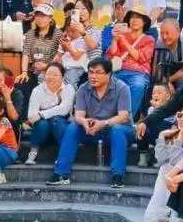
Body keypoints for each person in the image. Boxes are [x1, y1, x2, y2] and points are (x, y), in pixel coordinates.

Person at [47, 58, 135, 188]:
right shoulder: (83, 88)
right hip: (93, 130)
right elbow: (78, 115)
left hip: (120, 131)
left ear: (109, 74)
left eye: (98, 72)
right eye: (91, 72)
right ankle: (61, 173)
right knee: (73, 127)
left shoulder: (122, 88)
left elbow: (123, 117)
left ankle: (118, 175)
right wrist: (84, 122)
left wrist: (103, 123)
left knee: (117, 130)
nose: (93, 76)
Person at [144, 104, 183, 222]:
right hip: (176, 177)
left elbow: (177, 162)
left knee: (168, 169)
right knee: (165, 167)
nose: (181, 119)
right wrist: (161, 137)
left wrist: (180, 136)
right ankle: (163, 212)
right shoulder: (176, 137)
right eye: (179, 115)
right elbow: (161, 159)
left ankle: (170, 212)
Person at [106, 5, 155, 118]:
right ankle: (107, 118)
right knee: (107, 84)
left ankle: (126, 119)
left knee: (138, 85)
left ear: (144, 21)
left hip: (139, 73)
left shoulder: (149, 39)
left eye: (138, 17)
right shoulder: (122, 35)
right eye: (132, 17)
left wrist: (123, 40)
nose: (134, 20)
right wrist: (115, 38)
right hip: (119, 70)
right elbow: (112, 53)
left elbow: (140, 57)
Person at [25, 62, 75, 165]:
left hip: (61, 130)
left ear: (62, 77)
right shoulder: (38, 90)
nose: (51, 77)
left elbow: (64, 109)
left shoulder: (68, 89)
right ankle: (33, 152)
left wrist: (41, 114)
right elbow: (31, 116)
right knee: (41, 124)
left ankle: (63, 155)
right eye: (48, 74)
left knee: (57, 121)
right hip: (43, 133)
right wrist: (43, 116)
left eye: (55, 75)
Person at [16, 3, 62, 104]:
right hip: (33, 72)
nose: (40, 18)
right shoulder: (30, 34)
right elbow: (25, 54)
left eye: (43, 16)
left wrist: (47, 66)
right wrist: (24, 72)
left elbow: (60, 54)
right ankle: (26, 113)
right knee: (21, 84)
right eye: (37, 15)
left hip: (50, 72)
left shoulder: (58, 34)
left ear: (50, 18)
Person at [153, 18, 183, 91]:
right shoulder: (159, 43)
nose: (164, 37)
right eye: (162, 33)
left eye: (167, 33)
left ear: (178, 32)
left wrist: (168, 81)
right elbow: (156, 67)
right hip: (166, 75)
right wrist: (165, 82)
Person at [137, 84, 174, 167]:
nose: (156, 95)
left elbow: (162, 116)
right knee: (141, 128)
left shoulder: (172, 106)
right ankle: (143, 156)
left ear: (168, 96)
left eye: (159, 93)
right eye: (154, 93)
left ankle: (160, 158)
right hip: (154, 133)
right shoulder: (151, 109)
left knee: (159, 125)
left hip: (167, 134)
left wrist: (158, 108)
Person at [58, 16, 89, 89]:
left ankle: (73, 95)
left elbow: (76, 56)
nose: (70, 34)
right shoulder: (66, 38)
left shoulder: (82, 40)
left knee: (70, 82)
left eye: (73, 31)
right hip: (64, 66)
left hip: (76, 67)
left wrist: (68, 47)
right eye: (68, 31)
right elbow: (59, 53)